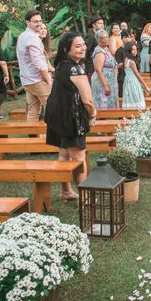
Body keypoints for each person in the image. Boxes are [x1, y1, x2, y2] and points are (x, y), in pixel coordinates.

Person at [44, 32, 96, 201]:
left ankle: (66, 191)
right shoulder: (76, 68)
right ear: (67, 49)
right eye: (78, 46)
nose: (83, 48)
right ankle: (86, 198)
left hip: (57, 116)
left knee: (64, 155)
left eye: (83, 45)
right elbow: (87, 100)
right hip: (70, 118)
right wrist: (92, 115)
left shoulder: (61, 65)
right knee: (79, 158)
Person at [16, 10, 52, 122]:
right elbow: (39, 64)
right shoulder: (32, 38)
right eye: (35, 21)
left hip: (27, 80)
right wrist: (48, 80)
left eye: (40, 21)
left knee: (33, 111)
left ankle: (33, 137)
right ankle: (57, 137)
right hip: (38, 80)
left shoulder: (22, 36)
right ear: (27, 22)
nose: (39, 24)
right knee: (54, 109)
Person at [91, 30, 119, 109]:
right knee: (103, 103)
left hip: (111, 80)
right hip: (102, 82)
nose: (106, 39)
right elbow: (98, 70)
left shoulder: (106, 49)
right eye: (103, 38)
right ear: (98, 40)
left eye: (107, 37)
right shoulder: (99, 52)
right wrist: (105, 85)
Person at [121, 42, 151, 110]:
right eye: (133, 50)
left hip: (127, 81)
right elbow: (138, 76)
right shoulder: (132, 62)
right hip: (133, 81)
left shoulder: (125, 59)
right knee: (136, 97)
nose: (135, 51)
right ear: (128, 50)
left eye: (136, 49)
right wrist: (145, 86)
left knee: (130, 97)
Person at [84, 15, 105, 81]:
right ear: (94, 25)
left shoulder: (101, 36)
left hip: (101, 67)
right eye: (100, 23)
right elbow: (85, 51)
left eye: (103, 23)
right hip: (91, 68)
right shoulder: (91, 36)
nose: (102, 25)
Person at [114, 30, 132, 98]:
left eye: (129, 37)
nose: (127, 38)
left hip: (131, 75)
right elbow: (118, 65)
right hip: (122, 76)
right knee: (122, 96)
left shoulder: (132, 49)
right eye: (125, 37)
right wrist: (128, 62)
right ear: (121, 38)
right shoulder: (119, 51)